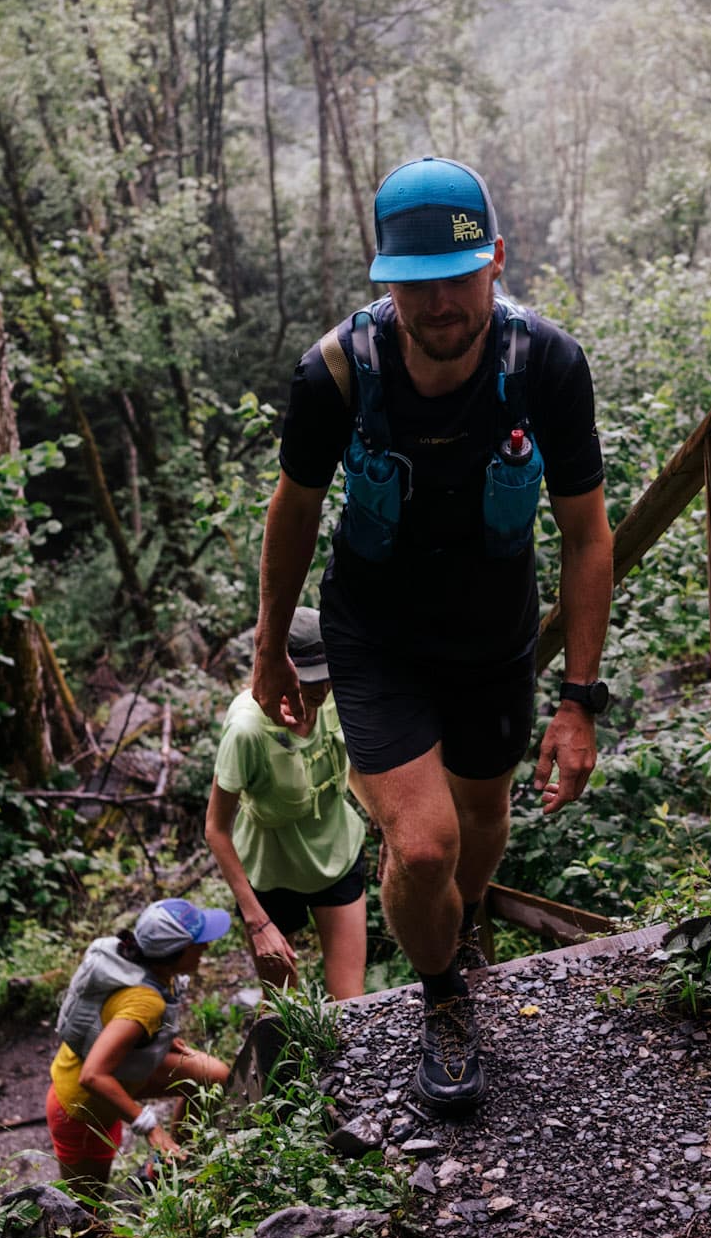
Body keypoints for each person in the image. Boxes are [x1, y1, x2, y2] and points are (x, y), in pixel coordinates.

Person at [251, 155, 614, 1114]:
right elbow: (292, 510)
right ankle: (443, 995)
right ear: (385, 283)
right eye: (416, 282)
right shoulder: (336, 374)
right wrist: (269, 644)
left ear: (496, 260)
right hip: (377, 638)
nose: (442, 300)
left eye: (459, 274)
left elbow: (586, 535)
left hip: (494, 640)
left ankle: (457, 932)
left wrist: (578, 700)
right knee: (421, 848)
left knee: (479, 834)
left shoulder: (546, 366)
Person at [206, 606, 369, 1000]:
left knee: (352, 1003)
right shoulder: (247, 730)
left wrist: (385, 822)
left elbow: (350, 766)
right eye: (309, 680)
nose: (321, 690)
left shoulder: (336, 698)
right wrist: (257, 922)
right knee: (284, 1006)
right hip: (269, 874)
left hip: (337, 857)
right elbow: (216, 829)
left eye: (326, 676)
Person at [43, 898, 232, 1198]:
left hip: (121, 1071)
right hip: (83, 1107)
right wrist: (151, 1128)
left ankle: (169, 1170)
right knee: (83, 1212)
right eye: (199, 944)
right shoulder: (145, 1003)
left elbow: (113, 1014)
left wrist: (162, 1039)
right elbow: (92, 1074)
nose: (206, 949)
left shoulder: (141, 964)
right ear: (175, 953)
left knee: (211, 1075)